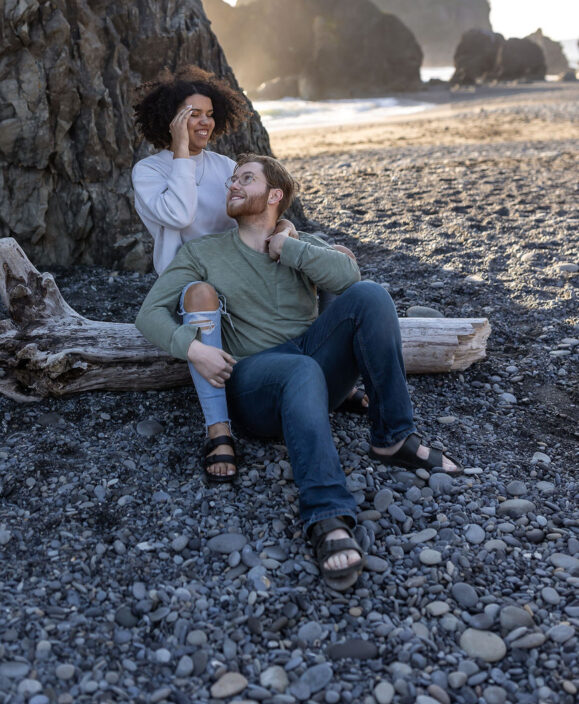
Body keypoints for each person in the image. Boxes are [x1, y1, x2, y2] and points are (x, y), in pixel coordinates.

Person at [136, 154, 463, 591]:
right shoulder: (204, 252)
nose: (232, 185)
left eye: (245, 179)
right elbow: (149, 313)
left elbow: (349, 275)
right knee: (300, 369)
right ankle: (326, 516)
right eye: (231, 179)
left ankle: (393, 438)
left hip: (312, 368)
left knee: (371, 296)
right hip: (256, 384)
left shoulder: (298, 244)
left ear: (274, 196)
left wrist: (287, 247)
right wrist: (192, 348)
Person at [132, 67, 298, 485]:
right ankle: (218, 430)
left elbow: (251, 214)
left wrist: (285, 230)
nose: (203, 121)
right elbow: (179, 214)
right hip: (188, 281)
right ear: (171, 121)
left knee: (325, 258)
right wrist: (182, 153)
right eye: (192, 114)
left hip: (236, 267)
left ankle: (336, 377)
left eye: (208, 113)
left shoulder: (225, 164)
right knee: (202, 293)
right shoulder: (148, 172)